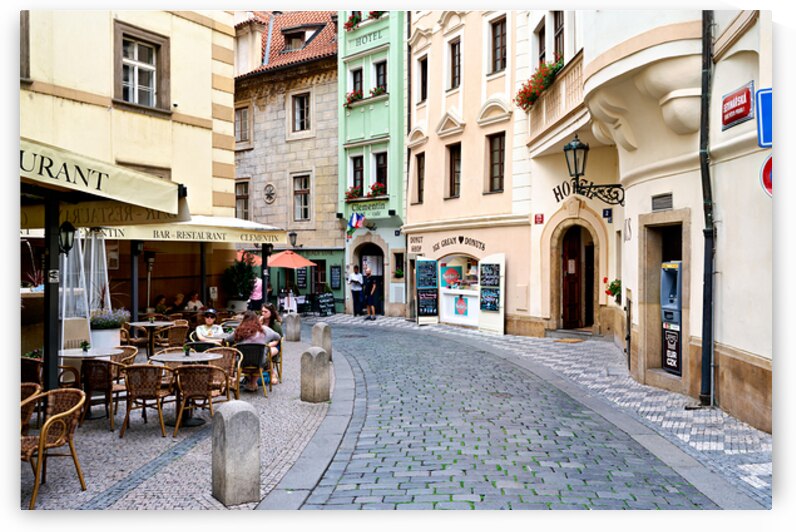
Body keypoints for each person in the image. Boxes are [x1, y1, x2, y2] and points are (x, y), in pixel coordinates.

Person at [229, 311, 281, 391]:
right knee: (260, 356)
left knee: (242, 357)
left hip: (242, 361)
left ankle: (251, 383)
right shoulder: (265, 330)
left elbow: (227, 339)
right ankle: (252, 383)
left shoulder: (239, 330)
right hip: (260, 361)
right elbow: (278, 337)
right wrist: (267, 342)